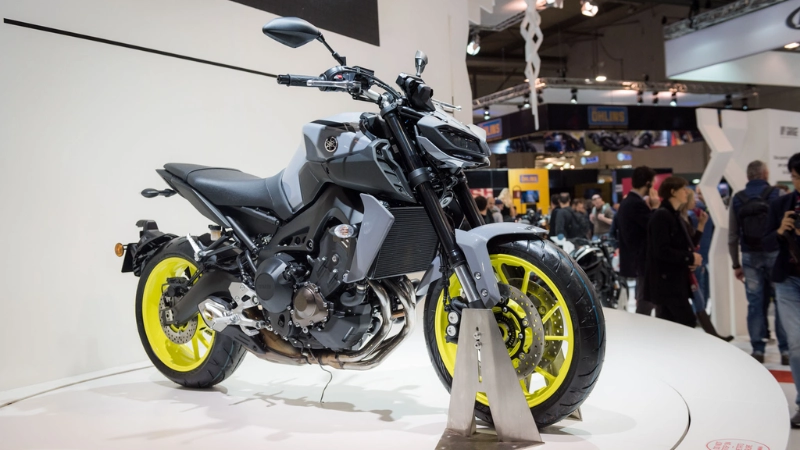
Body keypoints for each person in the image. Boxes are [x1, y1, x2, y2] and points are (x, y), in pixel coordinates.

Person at [728, 160, 786, 363]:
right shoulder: (777, 194)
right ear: (765, 174)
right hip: (774, 254)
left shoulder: (737, 199)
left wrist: (736, 264)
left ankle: (758, 349)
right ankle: (785, 350)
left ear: (748, 176)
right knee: (780, 301)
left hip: (750, 256)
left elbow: (732, 235)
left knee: (754, 303)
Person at [765, 152, 800, 429]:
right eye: (795, 177)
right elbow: (763, 243)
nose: (798, 182)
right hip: (788, 281)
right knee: (797, 344)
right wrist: (779, 231)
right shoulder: (780, 205)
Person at [645, 176, 702, 327]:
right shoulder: (662, 216)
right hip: (667, 283)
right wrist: (689, 258)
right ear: (673, 192)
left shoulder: (673, 215)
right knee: (686, 323)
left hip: (674, 280)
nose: (686, 192)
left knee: (671, 326)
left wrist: (690, 259)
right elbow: (661, 250)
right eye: (683, 189)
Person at [680, 190, 733, 341]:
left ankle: (711, 334)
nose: (696, 201)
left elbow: (694, 241)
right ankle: (711, 335)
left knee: (699, 297)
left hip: (694, 259)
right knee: (699, 296)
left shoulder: (691, 216)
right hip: (692, 261)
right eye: (693, 198)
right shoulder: (689, 217)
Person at [617, 167, 661, 315]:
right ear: (648, 183)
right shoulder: (635, 204)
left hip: (636, 257)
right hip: (641, 258)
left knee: (645, 296)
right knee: (645, 298)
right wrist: (655, 208)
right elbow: (653, 227)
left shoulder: (628, 202)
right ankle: (642, 325)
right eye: (653, 183)